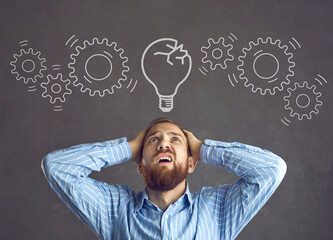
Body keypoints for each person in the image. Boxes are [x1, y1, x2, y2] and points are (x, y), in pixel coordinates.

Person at [41, 117, 287, 240]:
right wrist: (127, 148)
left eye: (175, 139)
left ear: (191, 163)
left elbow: (271, 169)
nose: (163, 145)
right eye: (153, 140)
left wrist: (202, 148)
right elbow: (57, 167)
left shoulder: (218, 210)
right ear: (140, 165)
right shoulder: (114, 210)